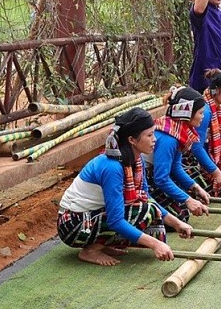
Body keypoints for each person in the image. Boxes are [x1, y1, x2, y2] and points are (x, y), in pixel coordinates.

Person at [57, 108, 193, 266]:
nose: (154, 139)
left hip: (92, 215)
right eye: (149, 135)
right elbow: (116, 221)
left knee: (147, 208)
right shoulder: (112, 167)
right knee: (144, 211)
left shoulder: (136, 160)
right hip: (73, 225)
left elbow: (146, 197)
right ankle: (91, 250)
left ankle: (101, 244)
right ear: (132, 140)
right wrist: (155, 244)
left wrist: (177, 223)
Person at [147, 86, 221, 222]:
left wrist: (195, 187)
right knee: (180, 216)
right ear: (187, 113)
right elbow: (161, 178)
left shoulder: (177, 130)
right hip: (144, 179)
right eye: (200, 113)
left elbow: (175, 167)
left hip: (154, 175)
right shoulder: (168, 138)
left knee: (187, 201)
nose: (203, 116)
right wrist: (188, 200)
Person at [183, 69, 221, 198]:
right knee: (216, 188)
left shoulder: (216, 108)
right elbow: (196, 147)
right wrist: (216, 172)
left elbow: (207, 145)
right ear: (216, 90)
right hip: (186, 159)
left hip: (199, 156)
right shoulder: (206, 112)